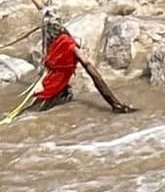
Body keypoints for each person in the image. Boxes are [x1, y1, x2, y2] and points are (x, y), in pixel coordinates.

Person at [5, 10, 133, 122]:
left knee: (27, 113)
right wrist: (114, 102)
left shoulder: (59, 44)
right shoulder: (68, 45)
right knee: (31, 112)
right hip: (54, 86)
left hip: (50, 83)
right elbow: (91, 71)